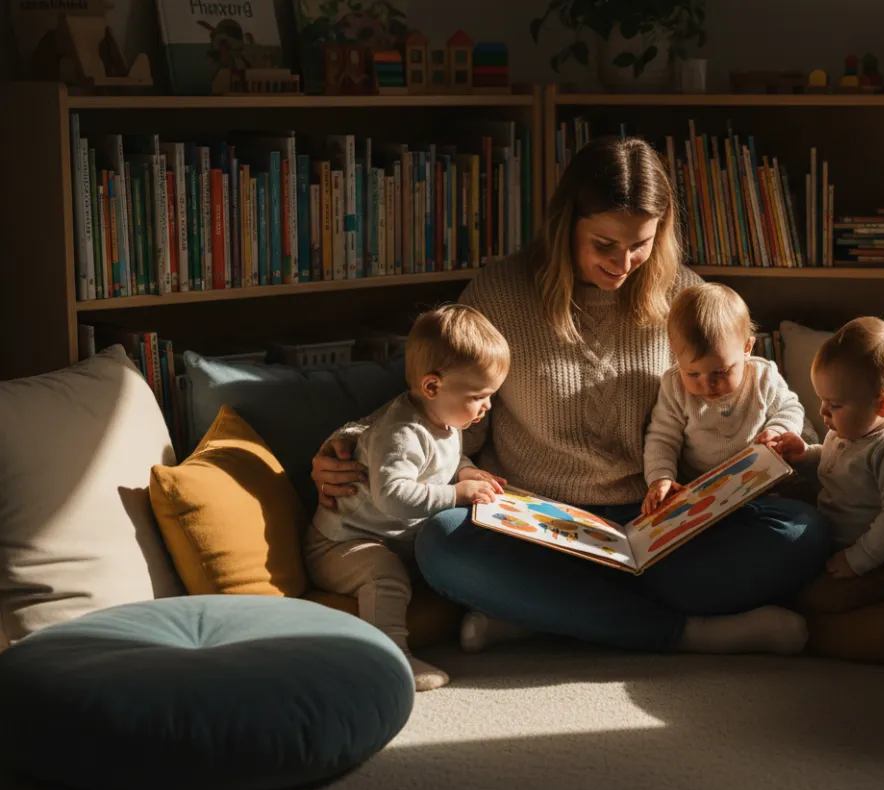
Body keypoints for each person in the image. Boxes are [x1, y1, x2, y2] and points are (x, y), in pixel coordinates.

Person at [310, 135, 832, 656]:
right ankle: (685, 633)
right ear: (566, 226)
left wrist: (773, 450)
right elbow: (436, 396)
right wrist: (354, 442)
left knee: (802, 531)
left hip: (658, 524)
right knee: (442, 544)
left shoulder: (686, 299)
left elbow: (757, 395)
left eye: (641, 244)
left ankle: (548, 613)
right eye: (604, 244)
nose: (624, 263)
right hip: (539, 527)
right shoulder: (501, 295)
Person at [305, 305, 510, 690]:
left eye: (490, 396)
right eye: (479, 396)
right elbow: (393, 497)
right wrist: (456, 494)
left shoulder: (445, 418)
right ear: (432, 387)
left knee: (464, 550)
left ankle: (503, 615)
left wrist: (465, 471)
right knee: (385, 574)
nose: (487, 406)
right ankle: (390, 659)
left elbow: (443, 461)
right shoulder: (400, 433)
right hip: (341, 544)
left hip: (395, 539)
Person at [772, 316, 884, 598]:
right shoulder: (849, 429)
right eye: (822, 400)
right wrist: (806, 455)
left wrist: (858, 559)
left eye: (834, 405)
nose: (823, 412)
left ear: (883, 405)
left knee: (817, 598)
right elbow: (840, 465)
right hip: (837, 535)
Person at [641, 282, 809, 516]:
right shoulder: (674, 386)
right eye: (693, 374)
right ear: (675, 353)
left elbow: (790, 408)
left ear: (747, 348)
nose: (708, 385)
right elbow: (662, 439)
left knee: (799, 520)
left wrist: (777, 430)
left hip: (760, 487)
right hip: (700, 495)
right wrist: (660, 479)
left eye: (720, 372)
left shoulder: (762, 376)